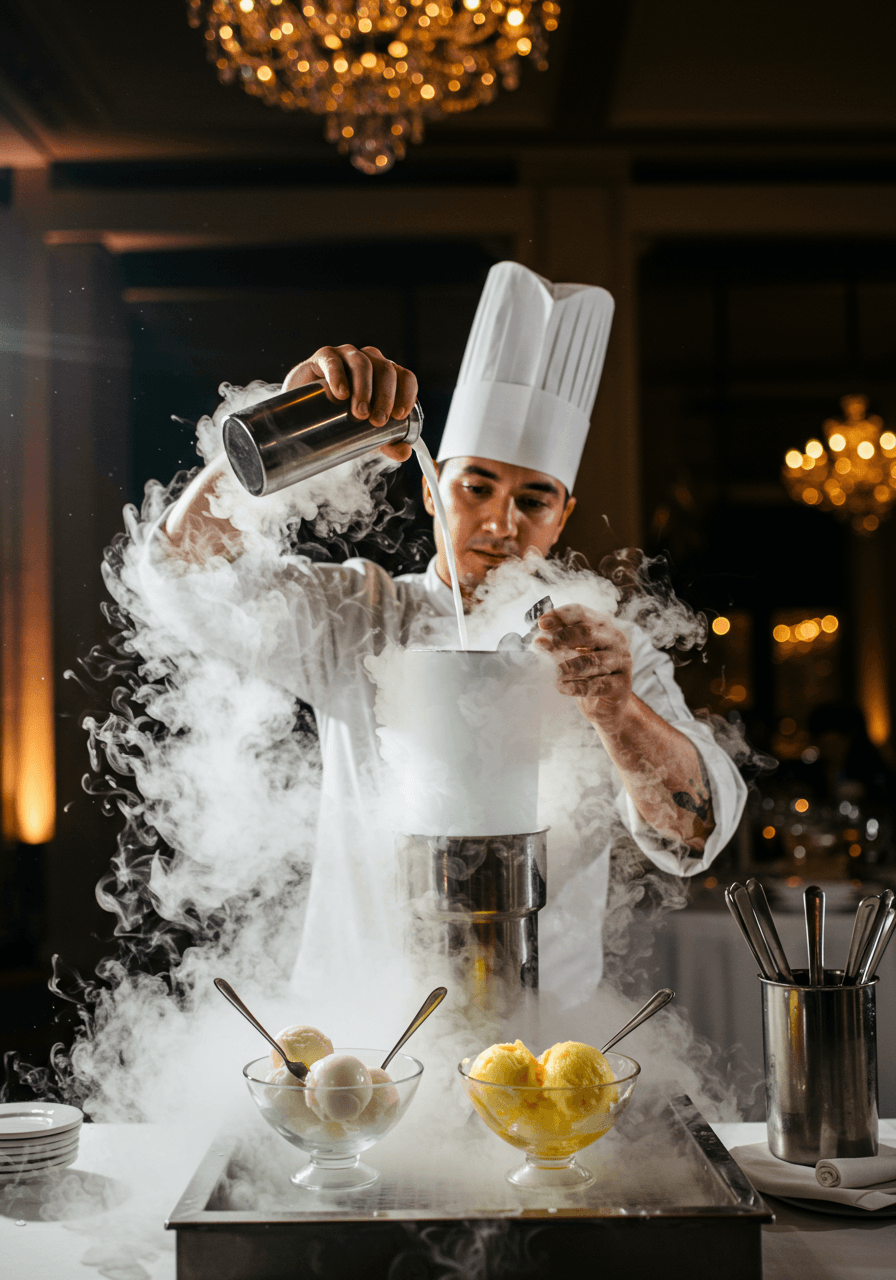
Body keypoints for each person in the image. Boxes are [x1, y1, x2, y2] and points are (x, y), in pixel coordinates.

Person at [144, 262, 747, 1009]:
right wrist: (291, 419)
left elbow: (692, 838)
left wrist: (617, 710)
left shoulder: (608, 652)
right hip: (362, 1036)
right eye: (476, 486)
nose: (500, 523)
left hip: (540, 1041)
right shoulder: (360, 615)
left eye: (534, 499)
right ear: (433, 489)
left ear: (562, 514)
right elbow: (182, 572)